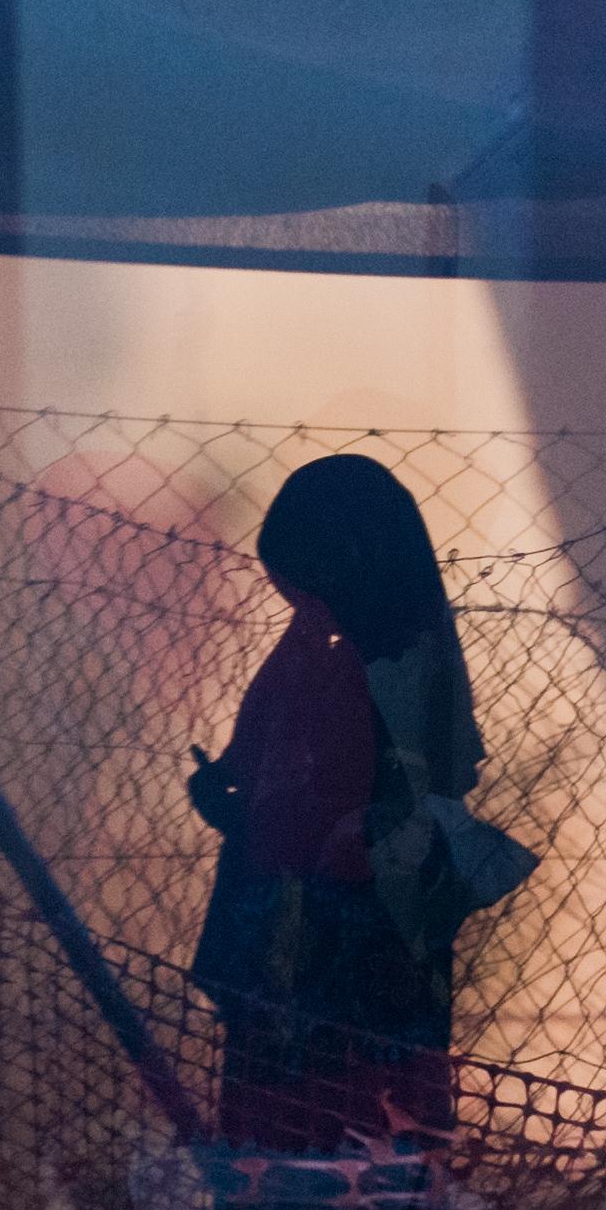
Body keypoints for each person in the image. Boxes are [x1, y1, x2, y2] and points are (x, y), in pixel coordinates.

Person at [186, 453, 487, 1153]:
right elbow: (278, 780)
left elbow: (400, 811)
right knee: (277, 1153)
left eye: (309, 598)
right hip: (290, 962)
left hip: (357, 970)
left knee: (351, 1156)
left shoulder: (402, 669)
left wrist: (347, 836)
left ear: (352, 576)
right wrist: (236, 801)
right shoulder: (319, 651)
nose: (302, 616)